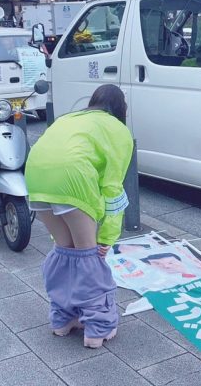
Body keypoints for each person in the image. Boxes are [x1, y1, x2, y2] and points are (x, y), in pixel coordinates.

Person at [25, 84, 133, 349]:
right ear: (121, 109)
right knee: (88, 256)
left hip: (35, 175)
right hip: (72, 179)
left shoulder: (69, 118)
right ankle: (97, 328)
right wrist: (107, 236)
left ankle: (62, 320)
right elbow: (112, 189)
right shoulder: (118, 130)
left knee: (64, 250)